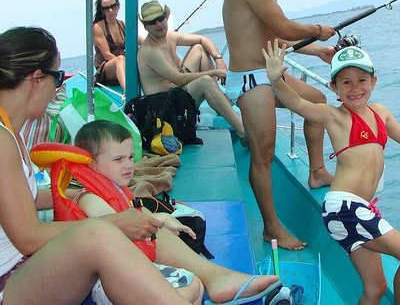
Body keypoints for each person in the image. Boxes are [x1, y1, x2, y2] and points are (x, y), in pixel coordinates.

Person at [0, 26, 195, 305]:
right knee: (99, 232)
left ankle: (207, 279)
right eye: (57, 77)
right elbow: (28, 237)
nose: (61, 88)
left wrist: (87, 192)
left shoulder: (5, 131)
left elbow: (18, 198)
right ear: (36, 78)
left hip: (19, 269)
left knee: (117, 215)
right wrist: (115, 222)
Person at [263, 40, 400, 304]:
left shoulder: (380, 113)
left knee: (375, 288)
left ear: (373, 81)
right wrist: (276, 80)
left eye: (361, 80)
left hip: (361, 208)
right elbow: (297, 103)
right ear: (334, 88)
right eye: (346, 82)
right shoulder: (334, 116)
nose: (355, 88)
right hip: (343, 207)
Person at [70, 119, 281, 304]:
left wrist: (163, 218)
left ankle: (217, 281)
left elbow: (132, 213)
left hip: (127, 269)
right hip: (108, 281)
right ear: (91, 164)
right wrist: (152, 219)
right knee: (190, 287)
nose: (129, 165)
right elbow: (114, 228)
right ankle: (216, 281)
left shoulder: (116, 190)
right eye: (118, 160)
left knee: (195, 285)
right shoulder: (89, 198)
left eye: (130, 157)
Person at [222, 0, 336, 250]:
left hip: (267, 72)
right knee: (264, 155)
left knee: (318, 103)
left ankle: (316, 171)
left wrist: (317, 50)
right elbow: (286, 27)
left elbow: (276, 37)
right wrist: (318, 30)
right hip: (251, 79)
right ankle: (271, 228)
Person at [137, 1, 247, 143]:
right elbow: (179, 79)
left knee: (199, 48)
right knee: (205, 82)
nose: (158, 24)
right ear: (146, 27)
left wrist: (218, 59)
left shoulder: (170, 37)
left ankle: (220, 103)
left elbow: (203, 39)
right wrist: (215, 72)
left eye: (161, 18)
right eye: (152, 22)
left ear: (166, 18)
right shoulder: (149, 51)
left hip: (177, 95)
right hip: (165, 109)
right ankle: (243, 132)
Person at [93, 0, 141, 91]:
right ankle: (127, 92)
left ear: (118, 6)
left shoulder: (123, 25)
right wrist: (129, 66)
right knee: (120, 59)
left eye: (113, 6)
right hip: (106, 68)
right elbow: (107, 55)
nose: (110, 10)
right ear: (102, 11)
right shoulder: (98, 27)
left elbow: (142, 41)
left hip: (123, 63)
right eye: (106, 8)